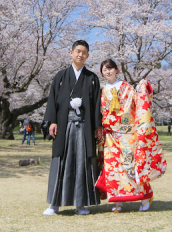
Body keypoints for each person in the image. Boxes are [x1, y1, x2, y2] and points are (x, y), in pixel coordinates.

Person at [95, 59, 166, 213]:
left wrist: (143, 89)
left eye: (110, 68)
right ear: (102, 74)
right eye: (104, 70)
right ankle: (117, 201)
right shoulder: (103, 90)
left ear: (117, 70)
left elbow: (136, 104)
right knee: (113, 168)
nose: (108, 72)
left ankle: (146, 196)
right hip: (110, 135)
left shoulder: (126, 87)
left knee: (131, 166)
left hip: (127, 133)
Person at [43, 40, 103, 216]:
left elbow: (96, 105)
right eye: (78, 51)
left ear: (88, 56)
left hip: (85, 126)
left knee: (83, 163)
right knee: (61, 161)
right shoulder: (61, 76)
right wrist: (52, 121)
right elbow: (53, 99)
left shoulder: (92, 78)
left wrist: (96, 126)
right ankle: (54, 204)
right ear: (71, 53)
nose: (80, 55)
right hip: (64, 125)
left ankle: (80, 204)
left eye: (84, 52)